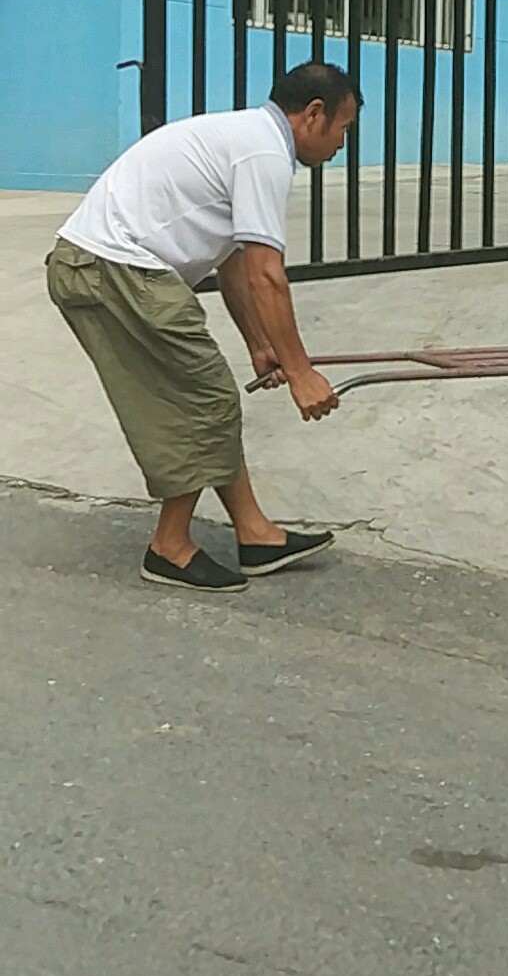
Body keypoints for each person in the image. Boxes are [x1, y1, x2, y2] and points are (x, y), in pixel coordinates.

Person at [46, 62, 360, 595]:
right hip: (113, 268)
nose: (341, 144)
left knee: (202, 394)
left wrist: (260, 343)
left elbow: (232, 257)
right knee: (207, 397)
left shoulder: (248, 136)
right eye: (344, 129)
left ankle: (255, 534)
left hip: (104, 265)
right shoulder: (263, 152)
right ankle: (170, 546)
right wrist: (302, 372)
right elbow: (266, 274)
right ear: (313, 115)